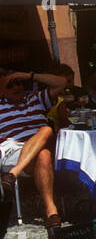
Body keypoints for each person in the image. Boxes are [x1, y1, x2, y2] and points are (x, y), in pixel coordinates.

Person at [0, 66, 71, 227]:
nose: (17, 87)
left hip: (28, 157)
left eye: (18, 83)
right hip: (15, 150)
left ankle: (11, 176)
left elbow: (62, 83)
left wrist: (29, 75)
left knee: (45, 134)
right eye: (10, 85)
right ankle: (51, 211)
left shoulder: (35, 99)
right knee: (44, 148)